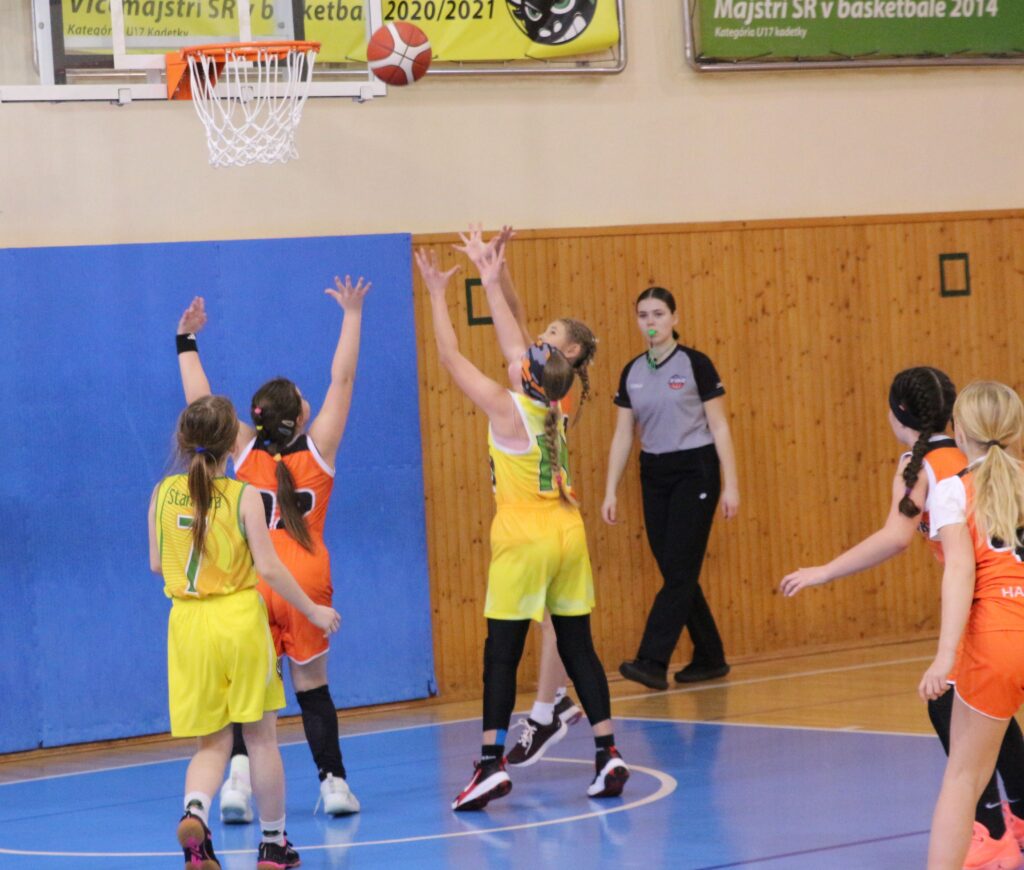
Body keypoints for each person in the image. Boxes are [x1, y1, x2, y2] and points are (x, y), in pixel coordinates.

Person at [782, 367, 1024, 868]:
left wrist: (824, 571)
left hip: (992, 623)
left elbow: (918, 549)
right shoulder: (991, 467)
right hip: (1002, 615)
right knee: (984, 721)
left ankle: (991, 829)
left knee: (960, 756)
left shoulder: (939, 472)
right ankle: (1011, 818)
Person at [415, 245, 628, 811]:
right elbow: (516, 346)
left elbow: (449, 356)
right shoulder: (556, 403)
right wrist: (489, 276)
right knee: (578, 645)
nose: (516, 354)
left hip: (524, 533)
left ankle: (490, 764)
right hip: (568, 529)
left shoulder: (506, 408)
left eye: (523, 358)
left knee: (502, 654)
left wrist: (437, 295)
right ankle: (608, 752)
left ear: (525, 376)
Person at [175, 275, 368, 821]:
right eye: (304, 399)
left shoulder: (243, 451)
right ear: (300, 416)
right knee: (312, 687)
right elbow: (343, 378)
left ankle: (237, 783)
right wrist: (352, 314)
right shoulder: (320, 448)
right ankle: (333, 784)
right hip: (307, 578)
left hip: (255, 580)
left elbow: (202, 402)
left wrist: (186, 341)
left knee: (253, 697)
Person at [150, 395, 340, 870]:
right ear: (229, 446)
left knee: (211, 744)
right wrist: (313, 611)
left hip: (187, 625)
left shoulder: (162, 493)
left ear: (183, 440)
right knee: (260, 740)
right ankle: (273, 844)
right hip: (237, 621)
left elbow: (157, 563)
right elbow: (270, 569)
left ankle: (195, 812)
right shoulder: (244, 496)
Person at [453, 225, 595, 766]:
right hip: (553, 518)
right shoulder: (548, 377)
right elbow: (515, 318)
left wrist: (492, 277)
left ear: (570, 350)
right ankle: (552, 703)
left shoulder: (557, 389)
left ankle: (546, 707)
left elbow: (512, 331)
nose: (540, 335)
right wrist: (500, 270)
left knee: (555, 622)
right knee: (557, 620)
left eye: (551, 333)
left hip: (543, 518)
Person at [605, 286, 739, 691]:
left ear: (674, 319)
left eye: (659, 314)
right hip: (654, 472)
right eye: (643, 315)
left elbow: (719, 426)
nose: (651, 322)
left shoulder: (696, 364)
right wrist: (610, 490)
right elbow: (623, 435)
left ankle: (652, 660)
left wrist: (731, 484)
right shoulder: (632, 372)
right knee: (676, 569)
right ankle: (710, 656)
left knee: (679, 568)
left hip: (695, 470)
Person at [921, 381, 1024, 869]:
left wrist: (945, 657)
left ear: (959, 432)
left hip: (998, 638)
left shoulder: (953, 489)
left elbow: (960, 572)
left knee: (963, 780)